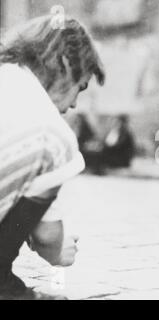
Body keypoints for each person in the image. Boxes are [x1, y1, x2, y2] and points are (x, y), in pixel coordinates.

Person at [0, 15, 105, 299]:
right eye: (79, 88)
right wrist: (58, 253)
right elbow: (48, 237)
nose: (73, 104)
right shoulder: (51, 132)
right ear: (66, 64)